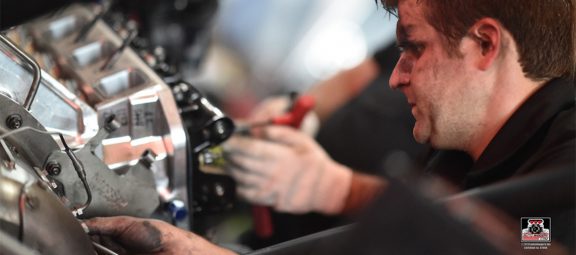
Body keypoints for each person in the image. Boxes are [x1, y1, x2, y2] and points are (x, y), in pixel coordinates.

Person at [85, 0, 575, 253]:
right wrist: (299, 107)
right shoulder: (465, 125)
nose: (396, 77)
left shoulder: (557, 190)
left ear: (486, 45)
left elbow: (522, 238)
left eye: (415, 49)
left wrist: (335, 189)